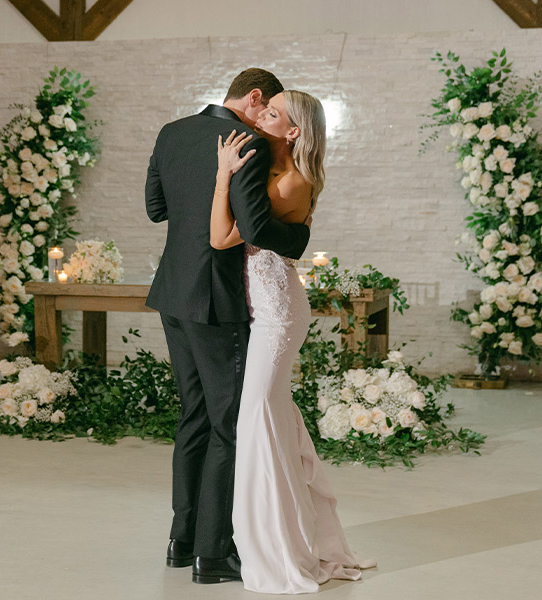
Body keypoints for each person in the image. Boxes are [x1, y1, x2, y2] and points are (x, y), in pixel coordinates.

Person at [144, 69, 311, 585]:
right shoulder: (248, 144)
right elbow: (257, 226)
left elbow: (156, 209)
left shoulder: (171, 132)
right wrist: (300, 236)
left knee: (194, 416)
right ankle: (214, 554)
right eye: (266, 107)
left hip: (172, 292)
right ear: (255, 96)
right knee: (228, 423)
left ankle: (182, 538)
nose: (264, 118)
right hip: (217, 299)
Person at [212, 90, 376, 594]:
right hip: (263, 308)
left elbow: (227, 235)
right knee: (269, 416)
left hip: (279, 313)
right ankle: (297, 536)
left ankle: (278, 547)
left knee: (259, 414)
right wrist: (224, 174)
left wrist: (227, 175)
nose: (261, 114)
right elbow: (221, 238)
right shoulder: (263, 171)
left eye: (273, 112)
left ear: (293, 131)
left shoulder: (292, 181)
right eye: (264, 107)